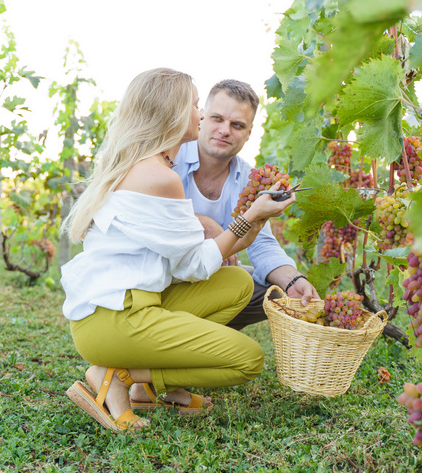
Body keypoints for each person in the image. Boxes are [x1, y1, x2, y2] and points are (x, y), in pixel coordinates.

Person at [59, 68, 295, 433]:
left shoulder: (143, 163)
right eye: (198, 106)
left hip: (122, 306)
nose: (201, 116)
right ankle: (120, 376)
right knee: (249, 359)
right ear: (171, 113)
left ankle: (141, 382)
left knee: (237, 283)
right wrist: (249, 215)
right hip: (116, 318)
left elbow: (209, 257)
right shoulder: (160, 177)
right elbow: (196, 265)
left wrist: (256, 218)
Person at [172, 79, 320, 330]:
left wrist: (293, 279)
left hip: (209, 277)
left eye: (237, 125)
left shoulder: (249, 179)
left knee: (274, 292)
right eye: (218, 119)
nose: (225, 130)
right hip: (166, 275)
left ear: (249, 133)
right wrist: (205, 224)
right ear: (202, 117)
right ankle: (181, 330)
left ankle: (204, 331)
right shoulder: (170, 158)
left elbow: (261, 243)